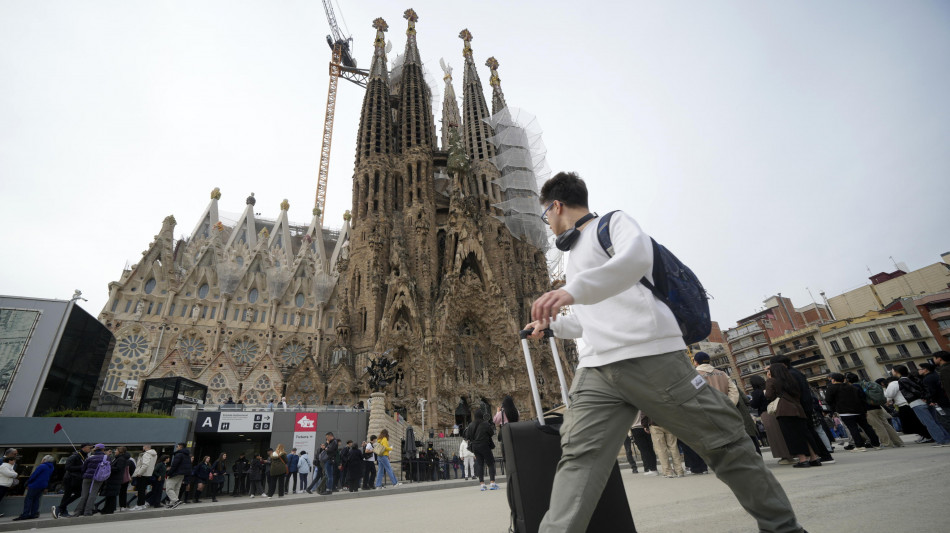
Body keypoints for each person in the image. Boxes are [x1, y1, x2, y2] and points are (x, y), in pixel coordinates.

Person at [526, 172, 805, 532]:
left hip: (649, 357)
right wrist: (554, 327)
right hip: (598, 368)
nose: (546, 222)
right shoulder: (573, 257)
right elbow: (590, 318)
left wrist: (571, 290)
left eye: (544, 214)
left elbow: (636, 260)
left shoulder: (612, 224)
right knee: (580, 456)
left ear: (557, 205)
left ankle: (783, 528)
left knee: (724, 444)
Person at [765, 364, 822, 468]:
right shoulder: (792, 380)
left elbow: (768, 395)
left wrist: (769, 380)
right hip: (798, 409)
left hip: (784, 410)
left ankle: (802, 459)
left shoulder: (772, 380)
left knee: (792, 436)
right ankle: (814, 458)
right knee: (805, 434)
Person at [890, 365, 949, 445]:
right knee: (935, 421)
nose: (891, 372)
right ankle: (946, 438)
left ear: (897, 371)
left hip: (916, 402)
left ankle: (941, 440)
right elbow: (923, 387)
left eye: (892, 370)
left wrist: (922, 396)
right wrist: (927, 398)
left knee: (929, 423)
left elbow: (913, 390)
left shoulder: (902, 380)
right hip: (925, 401)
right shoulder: (912, 377)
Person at [824, 373, 880, 451]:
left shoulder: (831, 388)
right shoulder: (852, 387)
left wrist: (835, 408)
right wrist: (864, 410)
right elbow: (862, 399)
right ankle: (876, 443)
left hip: (845, 411)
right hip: (859, 410)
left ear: (833, 380)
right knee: (867, 427)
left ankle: (860, 446)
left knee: (853, 429)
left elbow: (828, 400)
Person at [53, 443, 91, 518]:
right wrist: (82, 467)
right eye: (89, 448)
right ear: (84, 448)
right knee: (68, 494)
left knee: (78, 493)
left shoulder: (85, 456)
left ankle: (61, 508)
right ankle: (61, 509)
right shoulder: (75, 456)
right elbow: (68, 467)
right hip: (70, 479)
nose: (90, 449)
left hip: (77, 479)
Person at [463, 409, 498, 491]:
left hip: (475, 447)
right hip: (484, 445)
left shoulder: (471, 425)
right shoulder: (485, 424)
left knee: (480, 464)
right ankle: (492, 483)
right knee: (490, 463)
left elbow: (467, 436)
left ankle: (482, 484)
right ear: (482, 416)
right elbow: (491, 433)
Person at [13, 454, 54, 521]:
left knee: (28, 499)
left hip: (35, 484)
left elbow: (34, 475)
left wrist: (28, 482)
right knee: (36, 499)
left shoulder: (42, 466)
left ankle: (25, 514)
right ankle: (34, 514)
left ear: (44, 460)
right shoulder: (51, 467)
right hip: (43, 485)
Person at [919, 361, 950, 435]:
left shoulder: (927, 379)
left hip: (939, 402)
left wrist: (931, 400)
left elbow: (931, 391)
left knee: (945, 419)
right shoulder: (935, 375)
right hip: (945, 399)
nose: (918, 371)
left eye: (919, 369)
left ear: (925, 369)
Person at [130, 444, 157, 511]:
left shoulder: (146, 454)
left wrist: (139, 473)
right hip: (148, 474)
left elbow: (145, 464)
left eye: (143, 446)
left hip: (142, 474)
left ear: (145, 447)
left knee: (140, 491)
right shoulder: (154, 454)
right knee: (142, 490)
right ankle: (142, 504)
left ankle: (139, 505)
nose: (143, 448)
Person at [164, 443, 191, 509]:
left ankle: (176, 501)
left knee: (169, 488)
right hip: (182, 474)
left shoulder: (179, 454)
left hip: (175, 474)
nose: (176, 447)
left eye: (177, 446)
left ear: (180, 447)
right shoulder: (187, 455)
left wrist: (169, 473)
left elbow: (174, 465)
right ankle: (172, 503)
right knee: (176, 488)